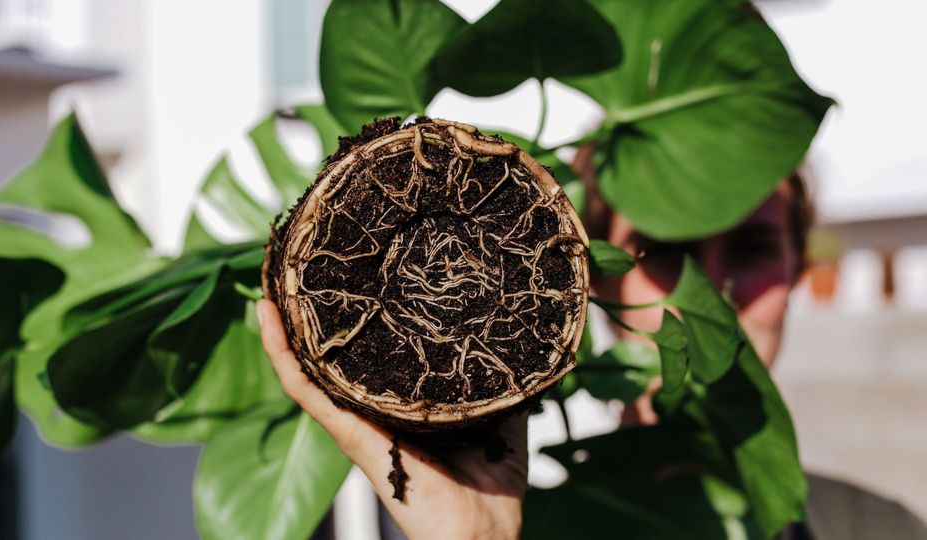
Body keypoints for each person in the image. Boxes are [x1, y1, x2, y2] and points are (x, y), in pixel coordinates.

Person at [255, 149, 926, 538]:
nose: (712, 290)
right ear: (588, 271)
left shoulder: (879, 529)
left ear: (798, 267)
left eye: (751, 249)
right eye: (667, 250)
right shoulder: (532, 528)